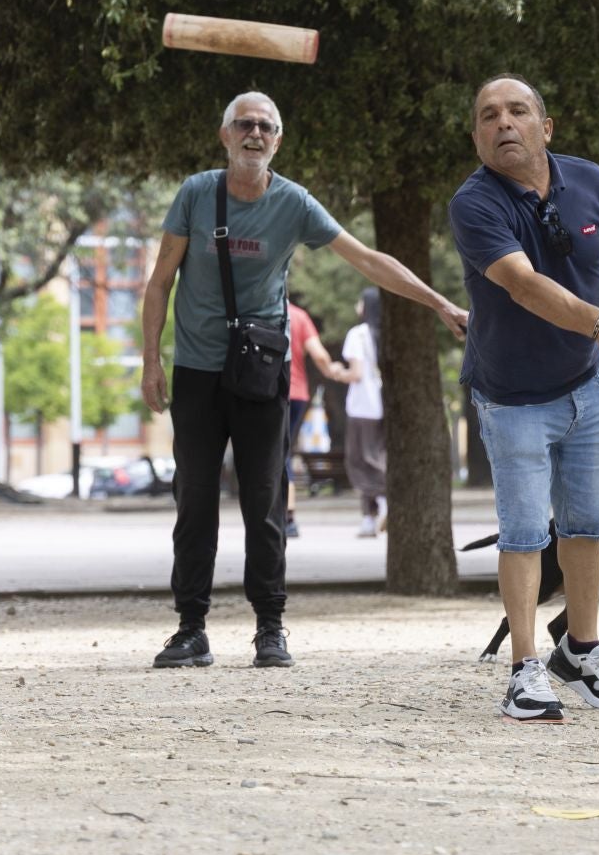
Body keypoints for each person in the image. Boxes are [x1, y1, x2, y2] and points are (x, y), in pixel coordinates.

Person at [140, 90, 468, 670]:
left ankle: (271, 627)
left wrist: (440, 303)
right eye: (244, 124)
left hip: (261, 372)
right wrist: (150, 360)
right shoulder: (196, 193)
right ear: (225, 135)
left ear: (278, 141)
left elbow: (367, 259)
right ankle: (191, 629)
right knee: (194, 499)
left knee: (265, 500)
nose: (255, 134)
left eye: (267, 126)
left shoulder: (294, 203)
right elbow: (161, 279)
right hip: (196, 371)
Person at [450, 74, 599, 722]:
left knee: (587, 528)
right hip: (511, 397)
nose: (503, 123)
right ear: (478, 135)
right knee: (521, 534)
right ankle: (523, 669)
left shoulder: (592, 181)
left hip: (588, 389)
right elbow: (523, 284)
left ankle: (583, 653)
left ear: (547, 127)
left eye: (517, 111)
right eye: (488, 116)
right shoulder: (474, 203)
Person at [281, 296, 355, 538]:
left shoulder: (261, 310)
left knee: (273, 454)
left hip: (268, 392)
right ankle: (287, 515)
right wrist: (332, 371)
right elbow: (319, 354)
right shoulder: (300, 316)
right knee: (284, 452)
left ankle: (282, 514)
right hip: (298, 394)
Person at [341, 289, 389, 537]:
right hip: (384, 405)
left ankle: (384, 502)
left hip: (362, 406)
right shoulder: (386, 333)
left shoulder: (357, 334)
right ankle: (370, 520)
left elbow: (356, 373)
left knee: (361, 461)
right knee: (377, 456)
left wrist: (337, 373)